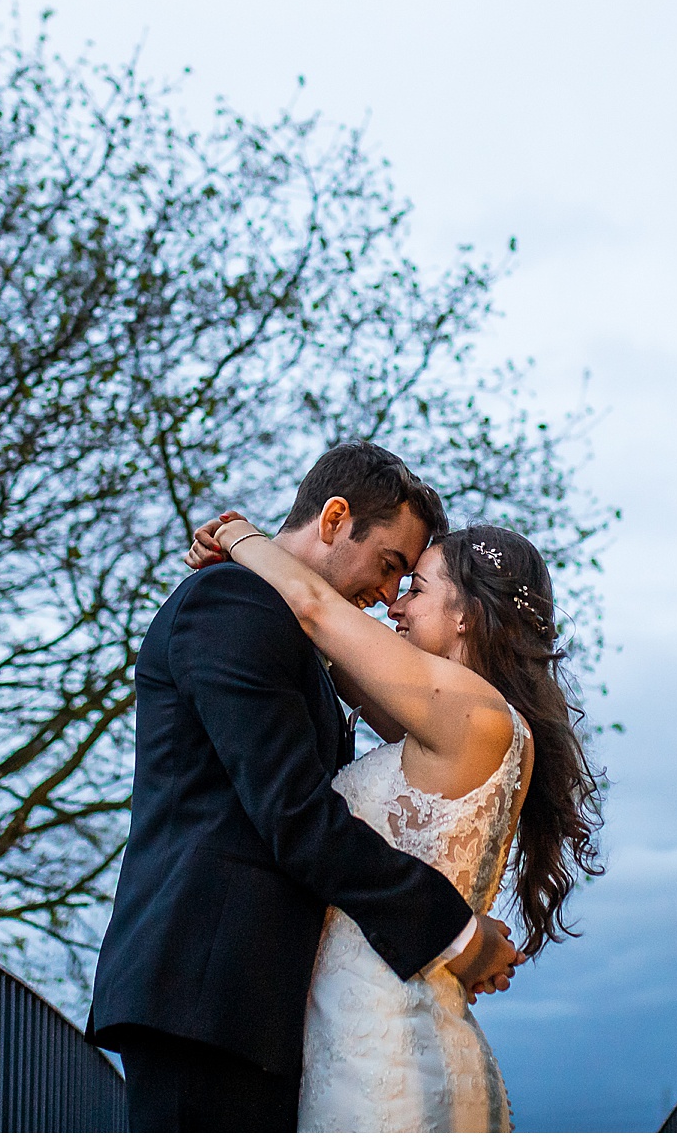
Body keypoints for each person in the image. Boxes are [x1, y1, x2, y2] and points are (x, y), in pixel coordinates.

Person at [87, 442, 524, 1132]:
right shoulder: (230, 601)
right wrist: (451, 927)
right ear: (334, 518)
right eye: (388, 566)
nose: (387, 598)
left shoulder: (295, 639)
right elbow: (295, 814)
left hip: (258, 1009)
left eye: (406, 581)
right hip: (207, 998)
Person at [180, 504, 603, 1132]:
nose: (393, 606)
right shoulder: (466, 720)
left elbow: (319, 612)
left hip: (386, 1053)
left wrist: (241, 538)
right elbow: (339, 663)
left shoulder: (471, 711)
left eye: (417, 588)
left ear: (466, 614)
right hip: (379, 1033)